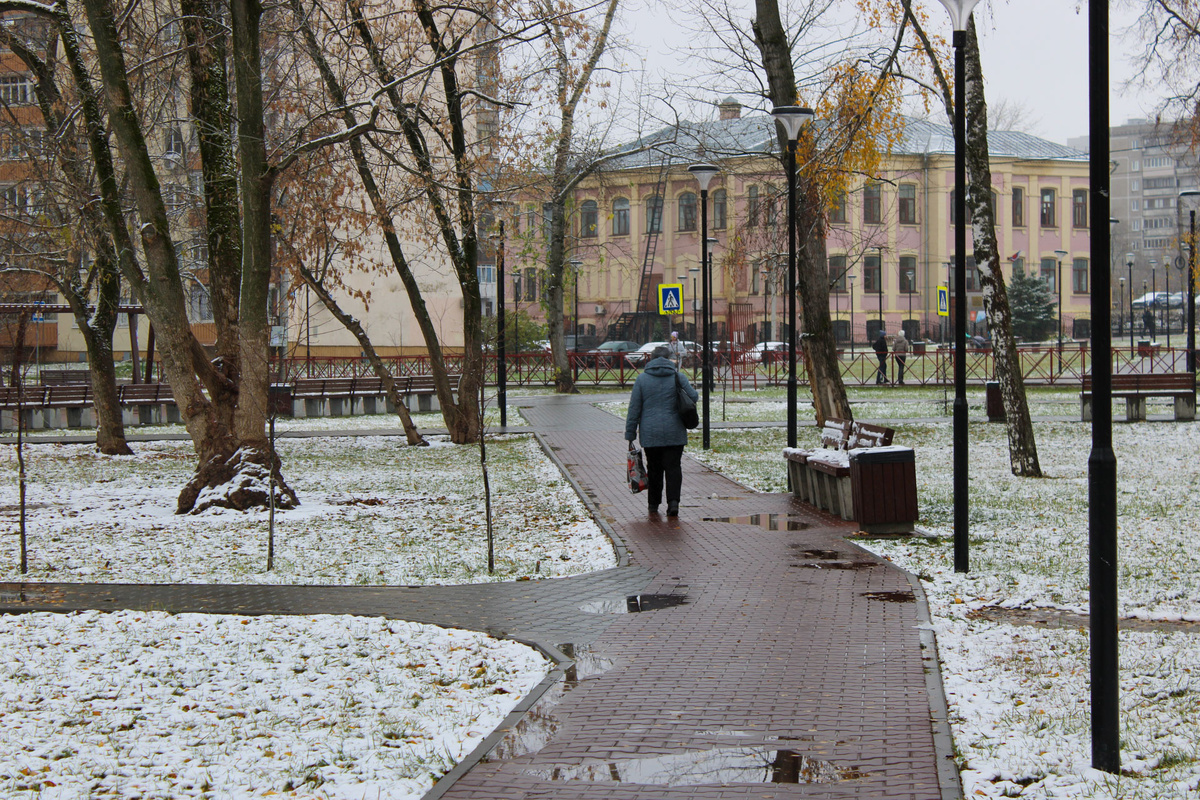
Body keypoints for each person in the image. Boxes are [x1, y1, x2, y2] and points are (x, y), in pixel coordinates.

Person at [625, 345, 698, 517]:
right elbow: (694, 397)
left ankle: (653, 504)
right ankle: (673, 503)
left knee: (654, 468)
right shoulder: (678, 377)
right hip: (675, 432)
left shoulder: (642, 380)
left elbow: (634, 409)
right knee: (673, 468)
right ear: (669, 359)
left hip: (651, 434)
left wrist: (630, 434)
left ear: (651, 359)